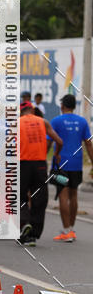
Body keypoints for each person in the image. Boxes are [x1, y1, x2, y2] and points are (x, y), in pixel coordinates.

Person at [50, 93, 93, 242]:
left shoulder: (56, 121)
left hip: (61, 165)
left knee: (63, 194)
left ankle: (67, 231)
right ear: (74, 106)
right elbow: (88, 143)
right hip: (76, 164)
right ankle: (72, 229)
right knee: (74, 195)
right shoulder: (82, 122)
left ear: (62, 105)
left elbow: (49, 141)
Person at [19, 101, 62, 246]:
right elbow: (59, 141)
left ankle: (24, 224)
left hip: (22, 164)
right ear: (32, 109)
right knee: (39, 198)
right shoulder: (43, 122)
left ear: (21, 111)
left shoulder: (16, 123)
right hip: (40, 165)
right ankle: (33, 234)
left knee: (20, 196)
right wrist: (55, 154)